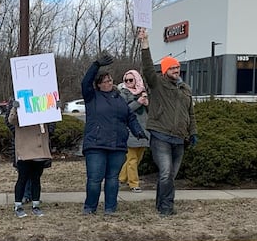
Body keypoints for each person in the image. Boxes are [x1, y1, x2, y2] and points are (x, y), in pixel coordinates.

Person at [138, 27, 197, 215]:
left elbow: (191, 113)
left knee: (171, 176)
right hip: (161, 136)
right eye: (172, 68)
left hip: (179, 139)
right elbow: (147, 68)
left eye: (177, 67)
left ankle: (162, 204)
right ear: (165, 70)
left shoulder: (185, 88)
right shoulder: (157, 83)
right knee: (165, 173)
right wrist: (144, 43)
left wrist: (193, 132)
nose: (176, 70)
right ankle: (166, 208)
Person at [81, 51, 147, 215]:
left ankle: (110, 208)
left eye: (110, 80)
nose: (109, 82)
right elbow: (85, 82)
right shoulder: (92, 97)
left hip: (117, 145)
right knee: (95, 180)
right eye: (105, 81)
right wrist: (96, 64)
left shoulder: (119, 98)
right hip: (96, 145)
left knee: (112, 179)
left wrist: (138, 131)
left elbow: (129, 117)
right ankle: (90, 207)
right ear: (98, 85)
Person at [5, 97, 54, 218]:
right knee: (22, 177)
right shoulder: (19, 99)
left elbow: (52, 121)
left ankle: (36, 204)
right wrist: (15, 108)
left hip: (39, 146)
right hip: (24, 147)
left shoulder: (43, 99)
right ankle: (18, 205)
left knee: (36, 178)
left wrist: (55, 107)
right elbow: (11, 120)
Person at [118, 68, 150, 193]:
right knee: (132, 159)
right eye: (126, 80)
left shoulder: (143, 92)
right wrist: (138, 102)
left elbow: (152, 111)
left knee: (138, 158)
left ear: (136, 79)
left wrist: (147, 103)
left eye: (131, 80)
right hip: (130, 130)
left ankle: (121, 178)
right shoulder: (123, 93)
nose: (128, 82)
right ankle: (134, 184)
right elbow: (124, 110)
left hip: (144, 130)